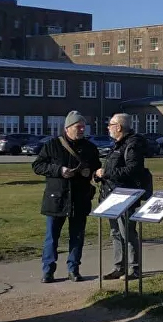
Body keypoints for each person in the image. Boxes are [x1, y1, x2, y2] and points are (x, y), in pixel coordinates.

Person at [33, 112, 101, 283]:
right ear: (68, 128)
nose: (82, 129)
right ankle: (48, 270)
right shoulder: (52, 145)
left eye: (83, 126)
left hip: (80, 198)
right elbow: (37, 166)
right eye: (78, 126)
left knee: (77, 236)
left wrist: (95, 174)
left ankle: (74, 269)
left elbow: (96, 169)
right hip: (56, 198)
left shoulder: (90, 148)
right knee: (51, 237)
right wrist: (59, 170)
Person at [96, 114, 154, 281]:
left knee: (127, 232)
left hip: (126, 195)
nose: (108, 127)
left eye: (111, 124)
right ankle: (119, 266)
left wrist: (107, 173)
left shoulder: (132, 144)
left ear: (119, 127)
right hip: (111, 195)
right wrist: (100, 175)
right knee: (115, 233)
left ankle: (134, 268)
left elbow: (132, 169)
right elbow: (113, 168)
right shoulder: (117, 145)